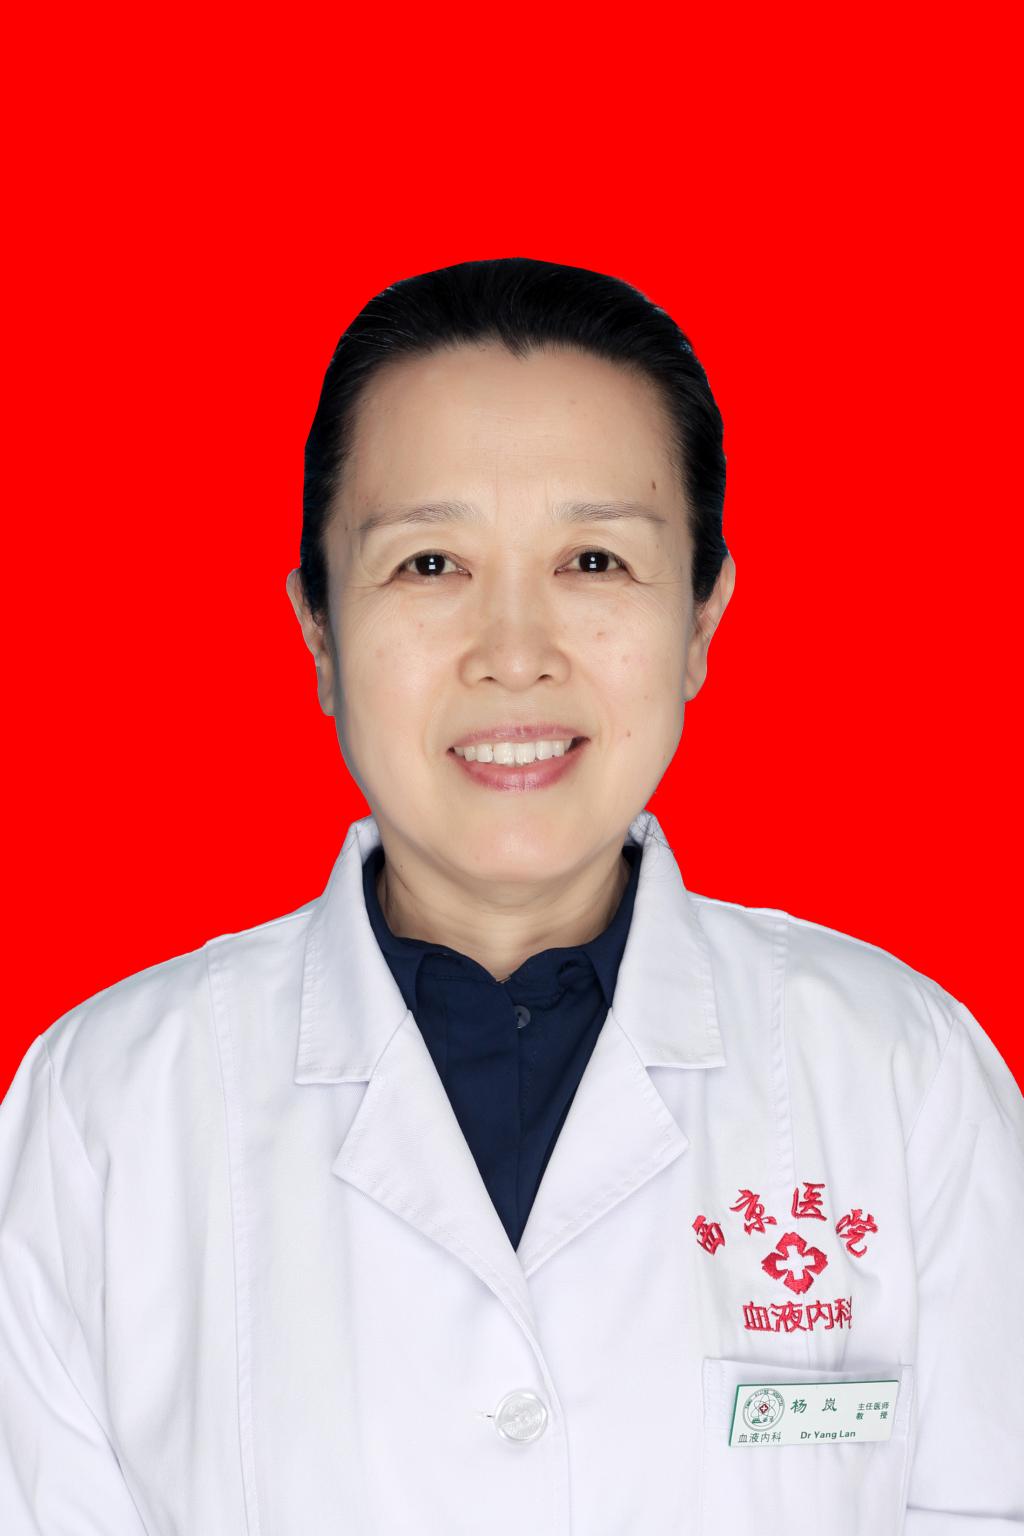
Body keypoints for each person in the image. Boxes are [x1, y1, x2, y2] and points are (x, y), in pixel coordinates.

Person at [0, 257, 1021, 1535]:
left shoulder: (903, 1079)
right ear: (317, 628)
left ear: (702, 619)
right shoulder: (103, 1115)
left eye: (594, 559)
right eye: (430, 564)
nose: (515, 655)